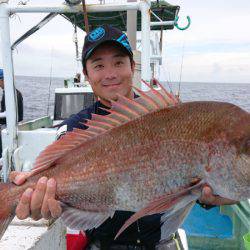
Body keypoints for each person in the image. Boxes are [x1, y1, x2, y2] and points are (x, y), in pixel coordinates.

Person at [9, 25, 237, 250]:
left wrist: (214, 195)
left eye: (119, 62)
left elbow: (191, 183)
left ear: (132, 66)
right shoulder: (76, 128)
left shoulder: (170, 118)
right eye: (99, 65)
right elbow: (47, 175)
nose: (110, 74)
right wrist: (29, 190)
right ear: (86, 74)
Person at [0, 68, 23, 157]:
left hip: (9, 129)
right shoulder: (16, 93)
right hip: (13, 127)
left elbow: (10, 115)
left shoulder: (9, 94)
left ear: (3, 80)